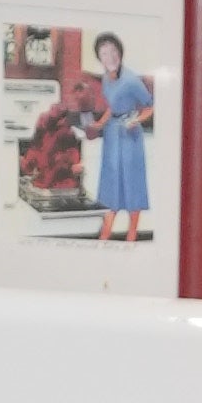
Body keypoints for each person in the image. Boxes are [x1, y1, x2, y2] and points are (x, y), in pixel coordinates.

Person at [79, 30, 155, 245]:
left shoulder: (131, 81)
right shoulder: (105, 78)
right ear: (99, 58)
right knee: (111, 182)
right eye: (104, 53)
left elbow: (149, 107)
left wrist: (136, 121)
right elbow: (112, 108)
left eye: (113, 52)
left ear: (120, 53)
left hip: (130, 135)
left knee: (132, 182)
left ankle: (131, 236)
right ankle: (106, 234)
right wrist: (98, 125)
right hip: (113, 134)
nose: (110, 57)